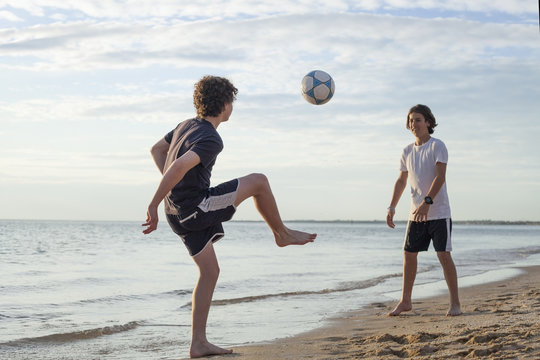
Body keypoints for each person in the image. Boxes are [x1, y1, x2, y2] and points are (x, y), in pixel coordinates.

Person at [142, 75, 317, 358]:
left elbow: (157, 150)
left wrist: (172, 194)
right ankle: (281, 234)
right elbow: (179, 166)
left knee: (210, 272)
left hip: (176, 213)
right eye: (232, 102)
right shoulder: (211, 138)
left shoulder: (185, 125)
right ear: (225, 105)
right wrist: (153, 203)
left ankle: (198, 343)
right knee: (259, 181)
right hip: (195, 209)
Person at [386, 104, 461, 317]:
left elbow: (440, 177)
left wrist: (427, 202)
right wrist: (392, 207)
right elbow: (401, 181)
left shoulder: (438, 146)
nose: (413, 124)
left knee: (443, 255)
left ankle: (455, 303)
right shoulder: (407, 151)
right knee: (409, 254)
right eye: (411, 121)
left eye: (417, 120)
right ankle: (405, 301)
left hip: (438, 212)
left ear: (428, 122)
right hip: (415, 214)